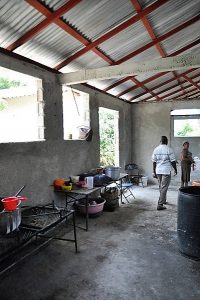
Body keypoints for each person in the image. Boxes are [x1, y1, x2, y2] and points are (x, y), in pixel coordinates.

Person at [152, 136, 177, 210]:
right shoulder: (169, 149)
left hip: (158, 170)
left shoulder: (156, 149)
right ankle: (160, 204)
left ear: (160, 141)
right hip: (166, 170)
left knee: (161, 186)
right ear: (167, 141)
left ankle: (163, 200)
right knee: (164, 187)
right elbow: (173, 161)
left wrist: (153, 171)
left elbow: (154, 162)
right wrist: (175, 169)